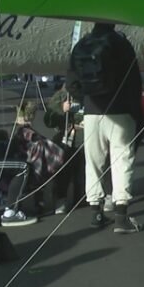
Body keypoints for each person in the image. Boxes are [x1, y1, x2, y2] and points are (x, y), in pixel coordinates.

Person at [67, 22, 143, 234]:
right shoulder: (122, 45)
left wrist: (86, 98)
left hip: (92, 111)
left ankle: (96, 213)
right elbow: (134, 81)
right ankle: (121, 216)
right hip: (121, 111)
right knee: (122, 161)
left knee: (93, 163)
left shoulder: (82, 44)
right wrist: (135, 111)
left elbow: (71, 82)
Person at [44, 84, 86, 215]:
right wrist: (62, 109)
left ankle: (83, 197)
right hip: (66, 139)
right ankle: (60, 199)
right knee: (63, 170)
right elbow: (48, 120)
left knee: (84, 170)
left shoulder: (87, 94)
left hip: (84, 138)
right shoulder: (62, 96)